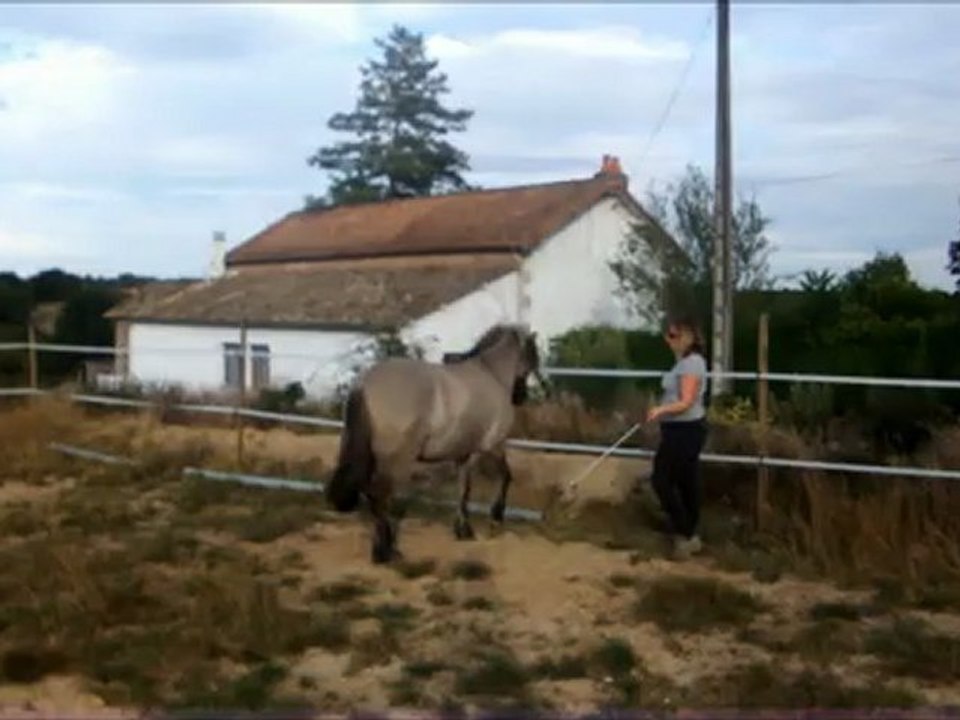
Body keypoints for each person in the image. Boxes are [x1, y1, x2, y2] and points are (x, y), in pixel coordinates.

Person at [645, 315, 709, 559]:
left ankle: (685, 533)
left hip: (686, 430)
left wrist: (660, 410)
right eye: (668, 335)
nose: (669, 340)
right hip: (679, 429)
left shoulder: (691, 364)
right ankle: (689, 535)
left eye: (674, 335)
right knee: (685, 482)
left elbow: (686, 401)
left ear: (689, 337)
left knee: (661, 479)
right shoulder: (683, 363)